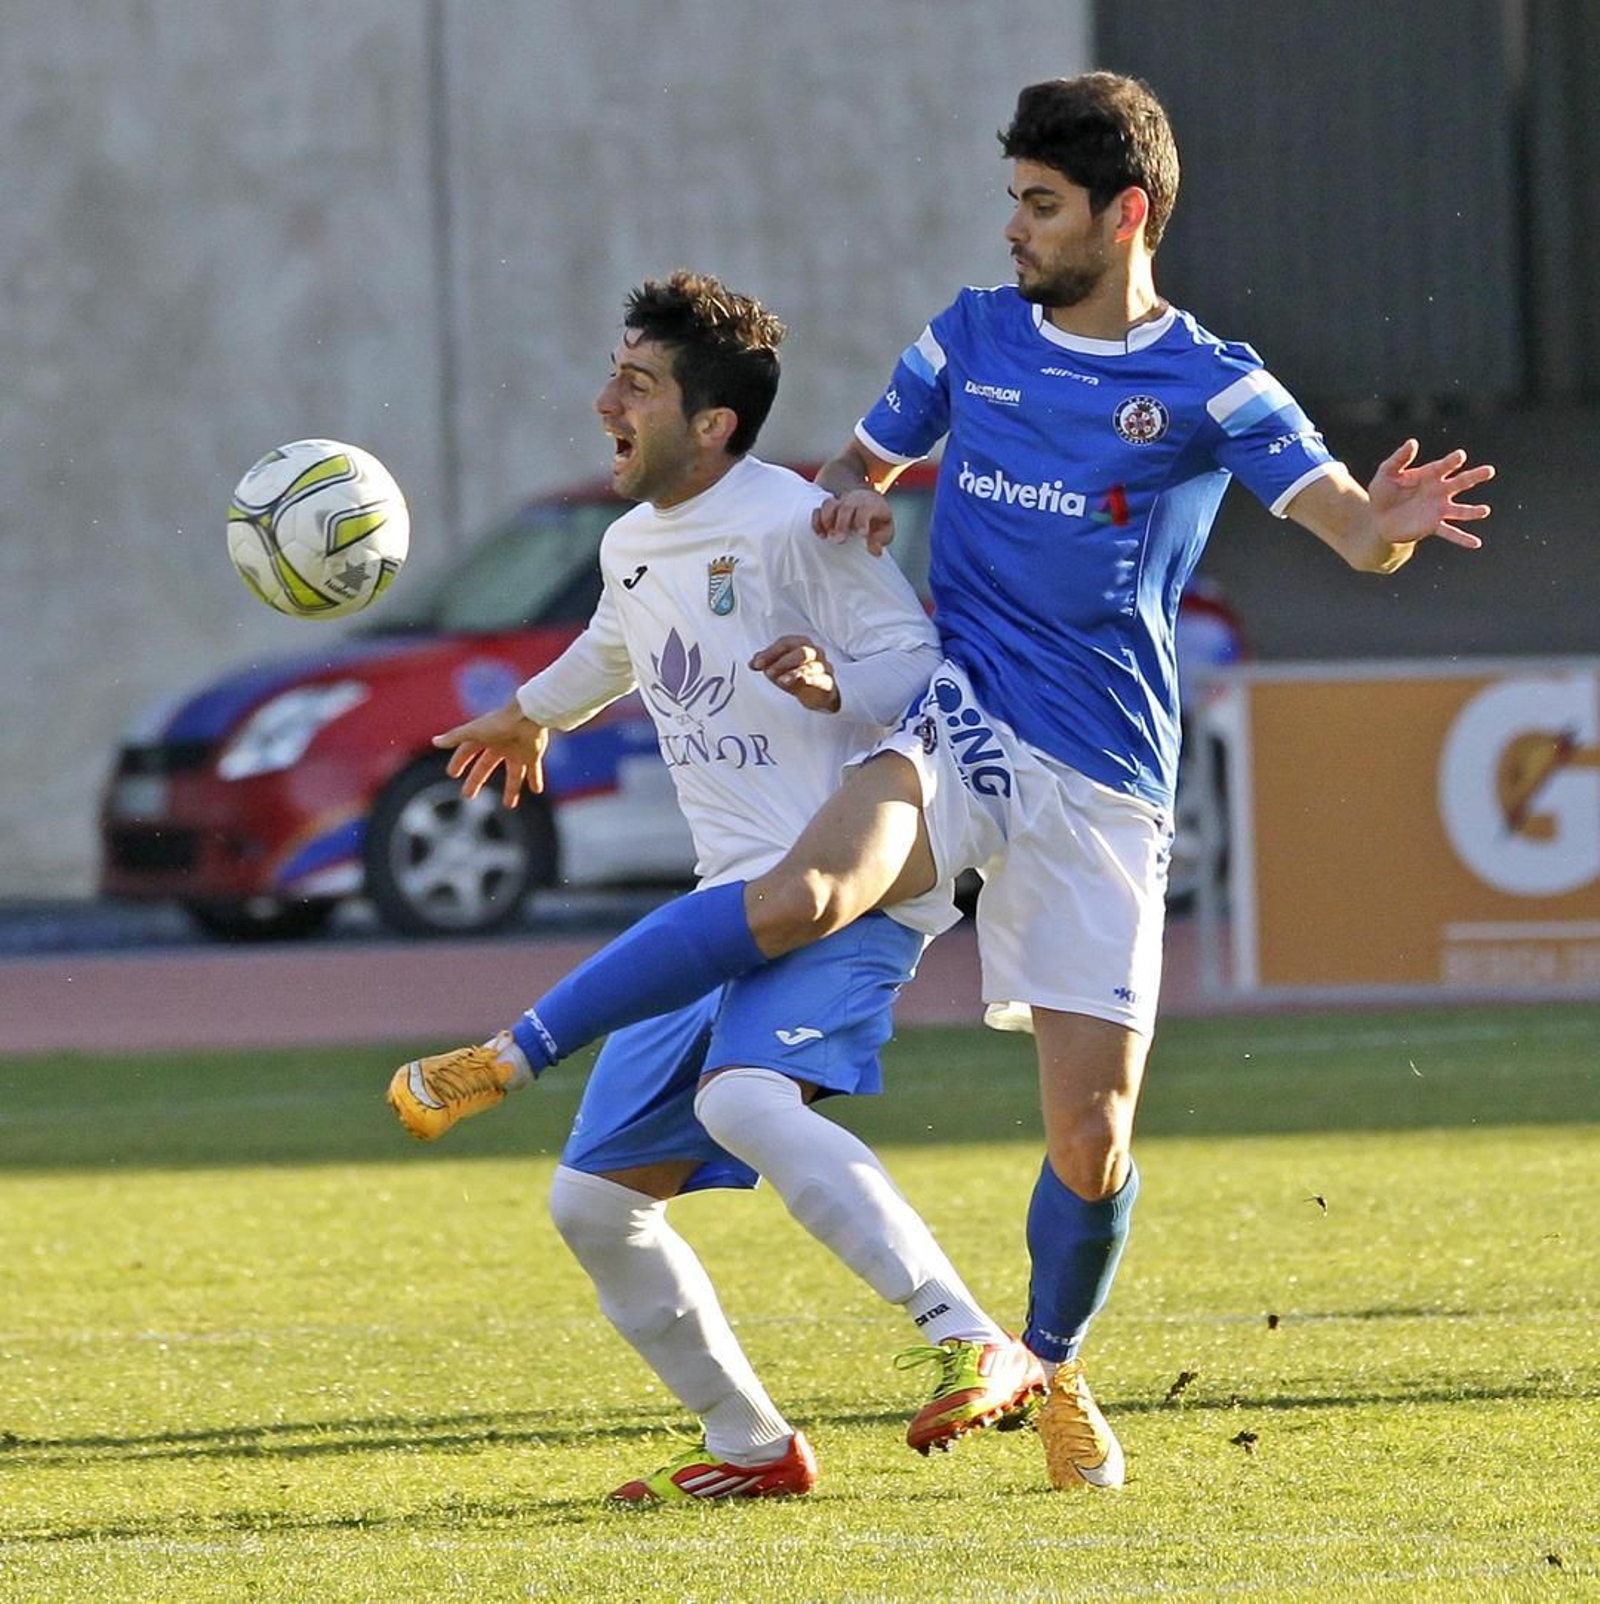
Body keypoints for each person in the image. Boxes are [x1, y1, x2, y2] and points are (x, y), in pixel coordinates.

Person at [406, 77, 1495, 1491]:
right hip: (963, 714)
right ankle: (515, 1053)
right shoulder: (971, 336)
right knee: (801, 886)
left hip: (1105, 776)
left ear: (1128, 215)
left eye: (1041, 207)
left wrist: (1392, 529)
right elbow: (857, 460)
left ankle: (1041, 1362)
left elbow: (1354, 535)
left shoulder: (1216, 384)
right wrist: (859, 493)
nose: (1016, 231)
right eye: (1014, 202)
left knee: (1089, 1139)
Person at [388, 271, 1044, 1504]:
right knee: (590, 1204)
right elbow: (617, 640)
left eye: (635, 386)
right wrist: (531, 716)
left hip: (840, 887)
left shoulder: (799, 519)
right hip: (716, 907)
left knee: (745, 1098)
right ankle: (752, 1446)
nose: (603, 404)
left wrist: (830, 681)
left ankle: (971, 1337)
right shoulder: (631, 539)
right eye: (614, 376)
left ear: (713, 424)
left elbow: (916, 663)